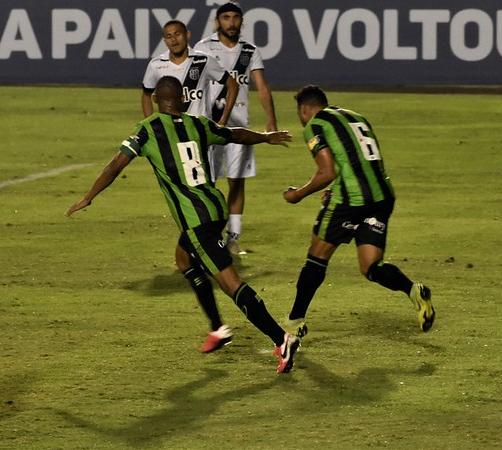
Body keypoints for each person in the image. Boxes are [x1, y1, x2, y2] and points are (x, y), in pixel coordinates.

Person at [66, 76, 299, 374]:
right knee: (182, 258)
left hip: (196, 219)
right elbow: (233, 134)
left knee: (231, 285)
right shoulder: (199, 124)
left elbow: (115, 165)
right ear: (182, 100)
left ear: (155, 101)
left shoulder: (147, 129)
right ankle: (217, 328)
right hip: (215, 207)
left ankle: (281, 339)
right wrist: (266, 137)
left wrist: (89, 196)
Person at [282, 85, 435, 338]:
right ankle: (413, 290)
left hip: (352, 200)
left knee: (316, 257)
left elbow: (327, 172)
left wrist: (297, 194)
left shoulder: (315, 125)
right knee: (371, 267)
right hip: (382, 196)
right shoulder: (357, 117)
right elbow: (360, 161)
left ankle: (294, 320)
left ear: (305, 108)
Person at [194, 2, 279, 255]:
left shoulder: (249, 51)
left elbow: (262, 87)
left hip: (240, 127)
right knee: (207, 183)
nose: (231, 22)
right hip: (210, 125)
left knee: (237, 182)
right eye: (226, 17)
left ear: (242, 21)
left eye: (235, 18)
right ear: (218, 21)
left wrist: (271, 121)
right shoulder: (204, 48)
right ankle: (209, 235)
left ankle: (233, 237)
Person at [141, 20, 238, 126]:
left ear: (187, 35)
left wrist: (223, 120)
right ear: (165, 41)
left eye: (177, 34)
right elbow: (146, 95)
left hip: (201, 132)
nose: (173, 40)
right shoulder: (156, 65)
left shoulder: (204, 61)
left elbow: (232, 84)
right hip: (172, 132)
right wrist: (151, 124)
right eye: (169, 36)